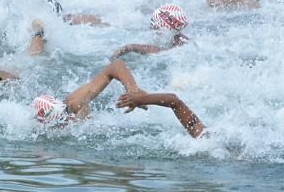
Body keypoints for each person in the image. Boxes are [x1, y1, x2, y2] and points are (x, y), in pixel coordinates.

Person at [33, 59, 205, 138]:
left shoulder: (71, 104)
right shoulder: (53, 135)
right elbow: (175, 101)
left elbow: (116, 65)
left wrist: (134, 92)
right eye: (64, 120)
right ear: (48, 127)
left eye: (66, 115)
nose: (69, 119)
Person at [111, 4, 189, 58]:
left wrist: (131, 47)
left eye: (154, 25)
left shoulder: (178, 48)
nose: (151, 28)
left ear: (165, 28)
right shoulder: (181, 39)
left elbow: (161, 53)